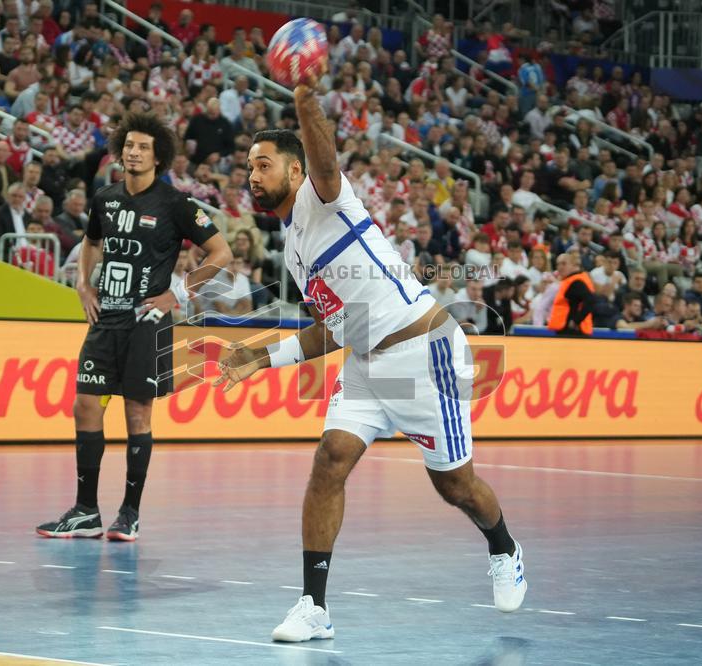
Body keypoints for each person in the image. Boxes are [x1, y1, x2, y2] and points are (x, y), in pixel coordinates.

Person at [216, 69, 527, 643]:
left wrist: (306, 99)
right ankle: (314, 605)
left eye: (264, 165)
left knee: (455, 487)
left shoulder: (323, 198)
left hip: (424, 355)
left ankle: (504, 546)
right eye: (248, 167)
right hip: (365, 363)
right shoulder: (294, 250)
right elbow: (335, 330)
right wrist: (260, 360)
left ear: (293, 169)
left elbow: (325, 160)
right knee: (330, 460)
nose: (252, 176)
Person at [36, 113, 231, 541]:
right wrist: (83, 285)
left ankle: (130, 513)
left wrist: (176, 295)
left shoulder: (176, 203)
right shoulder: (105, 198)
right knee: (85, 405)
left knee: (137, 412)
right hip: (106, 319)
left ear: (158, 156)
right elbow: (90, 242)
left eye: (143, 147)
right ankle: (86, 511)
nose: (134, 152)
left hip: (149, 323)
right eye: (128, 146)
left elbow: (220, 252)